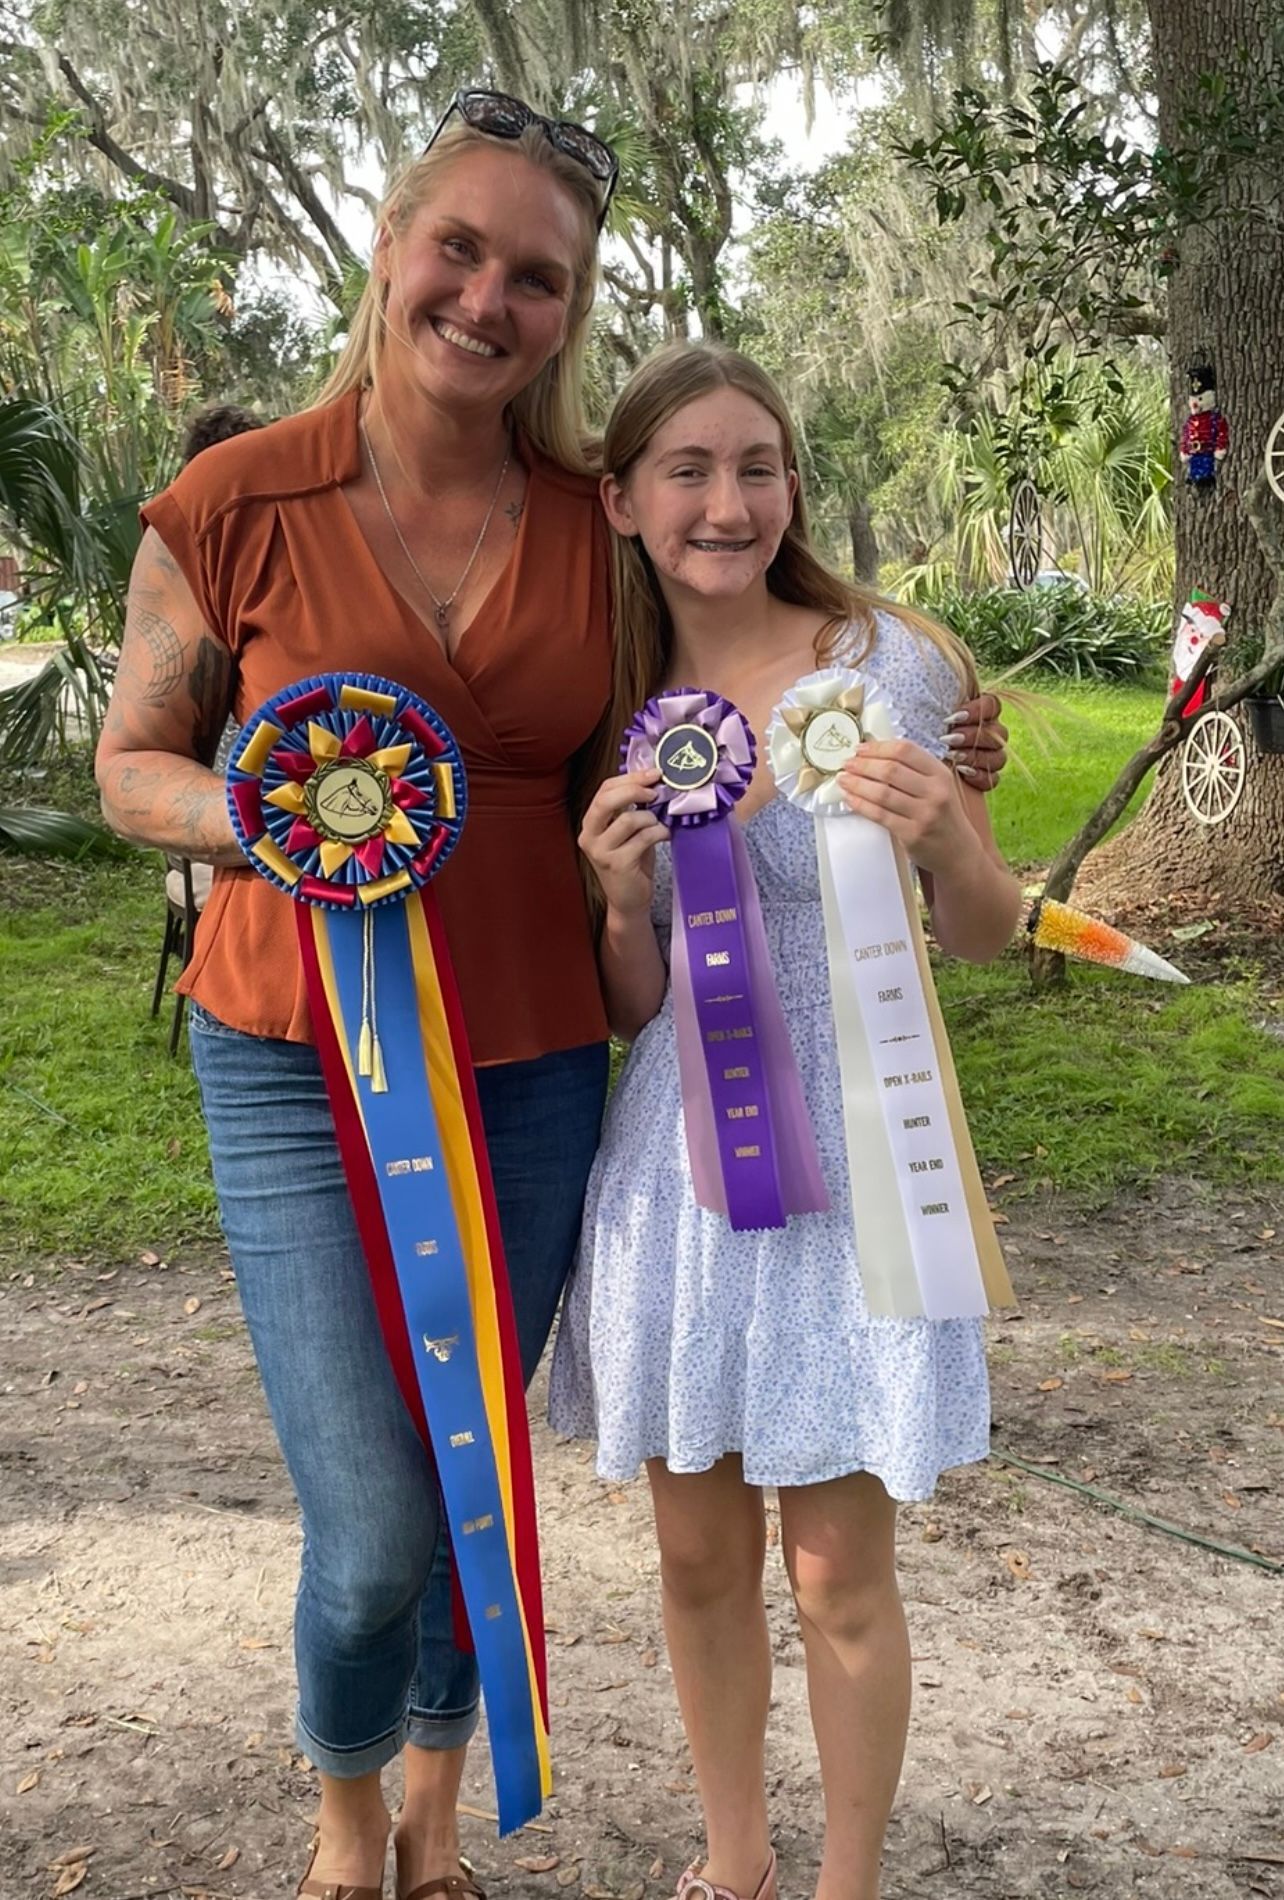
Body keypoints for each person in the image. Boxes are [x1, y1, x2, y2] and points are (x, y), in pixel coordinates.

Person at [96, 88, 1007, 1900]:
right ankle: (352, 1809)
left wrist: (945, 756)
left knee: (474, 1467)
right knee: (372, 1515)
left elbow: (777, 692)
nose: (489, 300)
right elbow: (137, 768)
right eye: (463, 251)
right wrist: (277, 815)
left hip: (539, 1056)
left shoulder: (604, 539)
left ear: (569, 314)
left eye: (540, 277)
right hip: (301, 1048)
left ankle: (436, 1816)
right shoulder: (232, 502)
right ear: (389, 243)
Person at [550, 342, 1022, 1900]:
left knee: (838, 1574)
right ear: (621, 499)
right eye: (687, 469)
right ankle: (737, 1862)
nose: (728, 501)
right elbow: (629, 1005)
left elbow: (985, 931)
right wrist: (621, 893)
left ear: (793, 485)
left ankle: (848, 1882)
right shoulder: (604, 705)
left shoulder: (894, 660)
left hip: (861, 1170)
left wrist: (948, 824)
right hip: (684, 1174)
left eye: (758, 465)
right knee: (697, 1562)